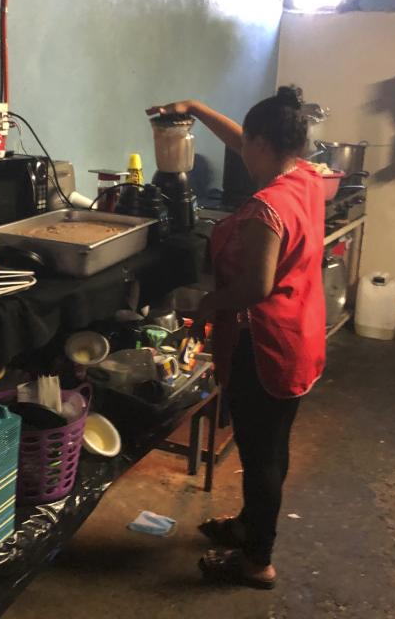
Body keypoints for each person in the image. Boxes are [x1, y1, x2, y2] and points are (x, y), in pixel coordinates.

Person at [146, 86, 326, 589]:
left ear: (265, 144)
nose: (241, 151)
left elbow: (256, 286)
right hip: (303, 338)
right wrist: (196, 110)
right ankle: (251, 527)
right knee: (272, 448)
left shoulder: (268, 207)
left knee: (260, 455)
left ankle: (256, 561)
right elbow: (242, 139)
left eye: (248, 144)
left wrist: (208, 304)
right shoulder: (307, 178)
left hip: (267, 348)